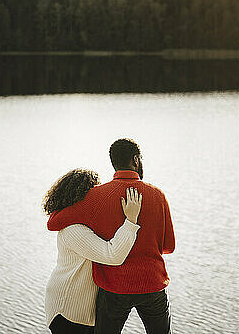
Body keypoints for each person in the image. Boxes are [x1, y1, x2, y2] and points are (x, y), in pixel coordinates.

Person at [47, 139, 175, 334]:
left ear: (113, 162)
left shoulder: (95, 196)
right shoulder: (157, 195)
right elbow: (168, 247)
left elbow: (53, 223)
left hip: (115, 288)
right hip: (153, 284)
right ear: (136, 160)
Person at [44, 168, 143, 333]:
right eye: (95, 192)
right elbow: (113, 255)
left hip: (79, 311)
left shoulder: (83, 224)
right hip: (67, 310)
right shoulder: (74, 229)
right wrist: (131, 221)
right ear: (83, 196)